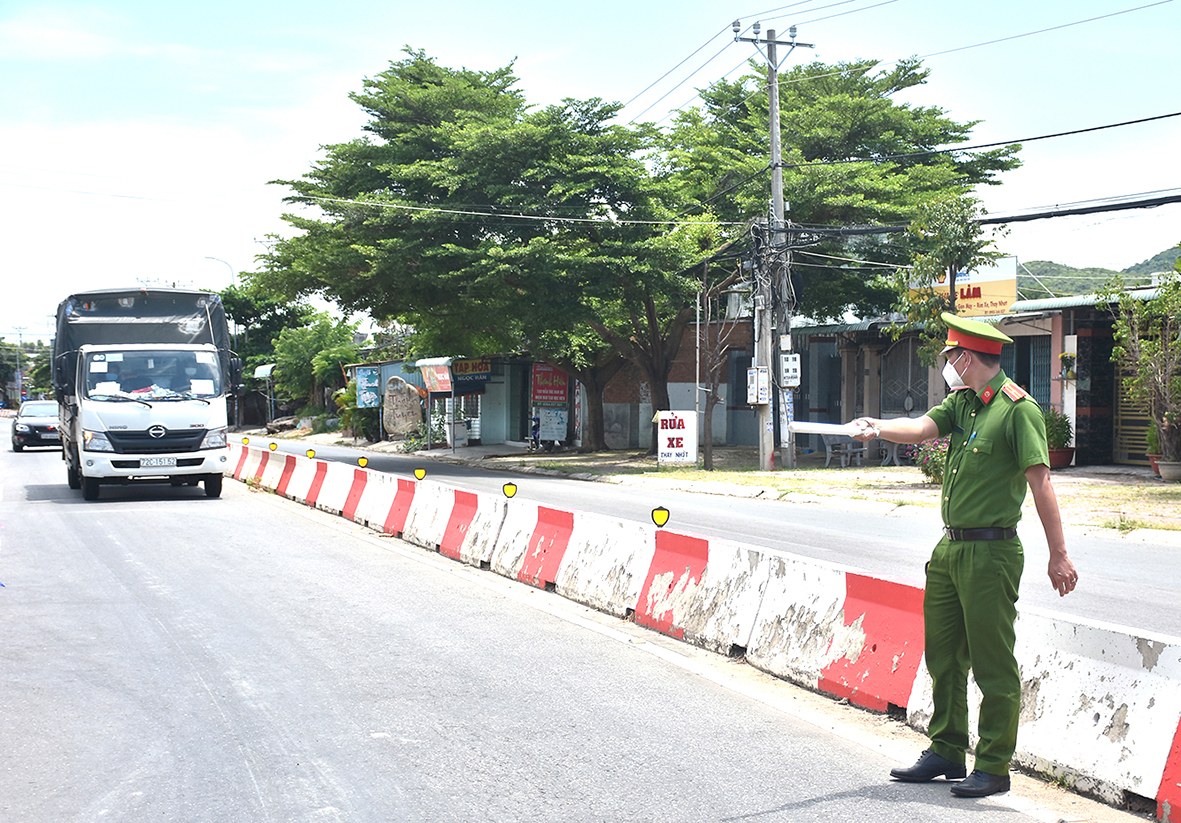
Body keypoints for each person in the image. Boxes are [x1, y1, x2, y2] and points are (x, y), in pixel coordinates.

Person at [850, 312, 1078, 799]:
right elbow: (919, 428)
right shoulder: (964, 404)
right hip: (950, 547)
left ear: (968, 357)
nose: (948, 363)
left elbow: (1042, 483)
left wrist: (1058, 554)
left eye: (951, 356)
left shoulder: (1018, 410)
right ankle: (947, 750)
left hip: (991, 551)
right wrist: (876, 427)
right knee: (944, 655)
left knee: (992, 661)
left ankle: (993, 765)